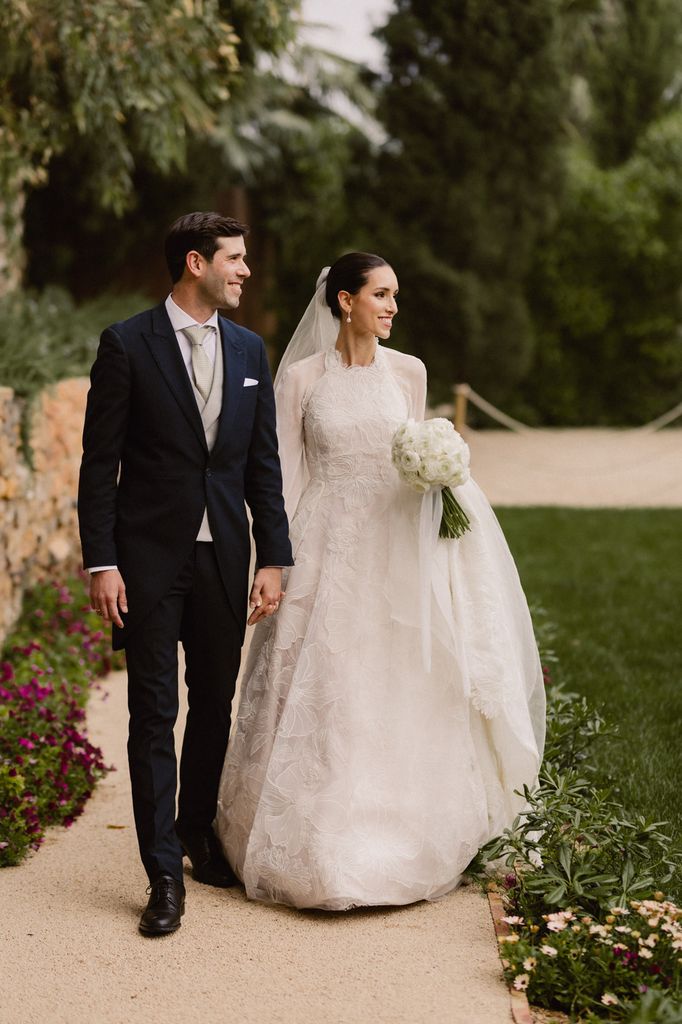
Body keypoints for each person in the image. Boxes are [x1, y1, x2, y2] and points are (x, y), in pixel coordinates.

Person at [215, 253, 546, 911]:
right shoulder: (303, 379)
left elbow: (411, 452)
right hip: (324, 544)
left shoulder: (410, 373)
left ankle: (396, 835)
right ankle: (311, 845)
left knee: (396, 681)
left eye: (396, 296)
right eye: (382, 294)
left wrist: (440, 478)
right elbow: (278, 478)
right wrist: (273, 562)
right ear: (345, 301)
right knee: (327, 683)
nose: (393, 307)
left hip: (398, 547)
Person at [77, 212, 292, 935]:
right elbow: (97, 465)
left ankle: (197, 830)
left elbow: (262, 466)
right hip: (145, 563)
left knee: (213, 708)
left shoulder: (251, 349)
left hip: (226, 557)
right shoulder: (127, 344)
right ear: (195, 262)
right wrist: (101, 560)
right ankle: (163, 872)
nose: (245, 272)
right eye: (234, 259)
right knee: (152, 715)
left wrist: (275, 556)